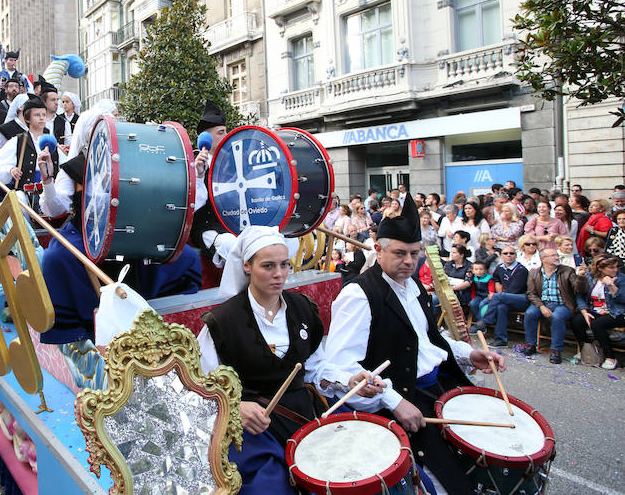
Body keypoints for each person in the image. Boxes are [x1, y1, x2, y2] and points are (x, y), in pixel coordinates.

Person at [322, 192, 504, 494]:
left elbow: (427, 339)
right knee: (446, 483)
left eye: (415, 253)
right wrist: (394, 402)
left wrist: (468, 354)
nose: (409, 261)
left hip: (439, 386)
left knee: (483, 458)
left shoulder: (415, 285)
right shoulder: (358, 295)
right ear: (378, 250)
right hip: (400, 397)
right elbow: (341, 365)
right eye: (399, 253)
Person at [198, 226, 382, 493]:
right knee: (270, 487)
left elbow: (315, 368)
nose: (279, 274)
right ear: (247, 266)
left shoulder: (303, 308)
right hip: (254, 429)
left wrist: (349, 380)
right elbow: (201, 388)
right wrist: (235, 408)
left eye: (284, 265)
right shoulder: (222, 322)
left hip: (304, 414)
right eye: (268, 266)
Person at [38, 101, 202, 344]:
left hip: (129, 229)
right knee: (57, 258)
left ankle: (160, 322)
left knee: (186, 257)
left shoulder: (132, 160)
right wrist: (47, 180)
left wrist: (194, 176)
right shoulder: (73, 167)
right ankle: (84, 330)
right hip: (86, 231)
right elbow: (55, 209)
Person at [190, 100, 235, 266]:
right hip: (207, 228)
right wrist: (199, 175)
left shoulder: (232, 162)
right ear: (206, 138)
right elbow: (194, 204)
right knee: (231, 244)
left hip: (234, 224)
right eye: (221, 132)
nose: (226, 136)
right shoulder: (193, 162)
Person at [522, 248, 587, 363]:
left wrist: (581, 277)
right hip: (542, 303)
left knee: (557, 317)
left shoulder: (568, 271)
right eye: (553, 255)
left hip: (563, 304)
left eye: (556, 255)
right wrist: (541, 306)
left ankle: (556, 350)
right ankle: (530, 345)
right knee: (530, 313)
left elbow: (579, 289)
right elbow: (531, 294)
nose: (557, 257)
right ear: (543, 259)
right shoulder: (534, 272)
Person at [571, 253, 624, 369]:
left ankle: (610, 357)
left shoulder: (620, 279)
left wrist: (611, 285)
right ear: (600, 268)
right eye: (611, 268)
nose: (615, 270)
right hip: (595, 310)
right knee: (577, 320)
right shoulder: (591, 277)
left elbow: (623, 300)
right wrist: (584, 311)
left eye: (616, 267)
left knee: (597, 324)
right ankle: (587, 350)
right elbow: (580, 295)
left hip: (617, 312)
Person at [470, 243, 530, 346]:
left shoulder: (521, 270)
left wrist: (496, 295)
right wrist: (497, 293)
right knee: (501, 307)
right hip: (505, 299)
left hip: (521, 299)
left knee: (498, 296)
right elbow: (497, 280)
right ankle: (501, 339)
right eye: (505, 253)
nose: (509, 255)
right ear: (502, 256)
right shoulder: (500, 268)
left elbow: (513, 291)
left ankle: (484, 321)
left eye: (512, 253)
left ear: (516, 255)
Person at [0, 93, 43, 162]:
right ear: (20, 107)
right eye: (30, 104)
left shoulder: (38, 130)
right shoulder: (6, 130)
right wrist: (6, 153)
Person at [468, 260, 496, 325]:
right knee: (473, 303)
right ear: (473, 271)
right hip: (478, 296)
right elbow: (473, 290)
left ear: (485, 270)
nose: (479, 271)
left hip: (487, 296)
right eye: (476, 269)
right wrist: (473, 298)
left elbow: (491, 289)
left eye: (481, 269)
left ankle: (481, 321)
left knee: (482, 304)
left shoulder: (489, 278)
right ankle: (479, 319)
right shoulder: (473, 278)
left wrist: (491, 294)